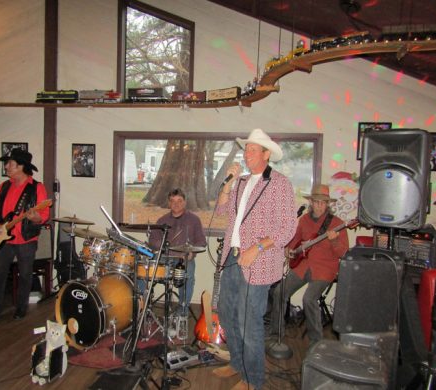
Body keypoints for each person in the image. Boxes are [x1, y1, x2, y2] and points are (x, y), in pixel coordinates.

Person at [212, 128, 297, 390]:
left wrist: (257, 247)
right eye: (245, 149)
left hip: (257, 262)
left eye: (252, 149)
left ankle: (254, 381)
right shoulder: (240, 182)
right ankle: (237, 363)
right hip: (231, 257)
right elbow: (221, 209)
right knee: (227, 314)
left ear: (266, 154)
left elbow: (287, 228)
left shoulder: (280, 183)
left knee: (249, 323)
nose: (246, 154)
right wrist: (228, 182)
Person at [269, 184, 349, 350]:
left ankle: (316, 343)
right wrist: (289, 249)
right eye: (316, 202)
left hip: (324, 269)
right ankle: (276, 334)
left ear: (328, 204)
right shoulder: (304, 220)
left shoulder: (337, 223)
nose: (319, 205)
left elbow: (343, 253)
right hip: (303, 265)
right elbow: (295, 239)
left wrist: (334, 240)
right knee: (279, 292)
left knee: (309, 299)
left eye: (323, 202)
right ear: (311, 202)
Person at [0, 148, 49, 323]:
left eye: (10, 163)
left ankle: (21, 308)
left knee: (25, 275)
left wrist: (35, 217)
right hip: (3, 238)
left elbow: (43, 216)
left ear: (21, 166)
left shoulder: (37, 187)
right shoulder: (4, 186)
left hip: (26, 239)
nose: (6, 167)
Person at [148, 188, 206, 315]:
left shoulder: (194, 220)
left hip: (184, 259)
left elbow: (201, 241)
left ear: (185, 202)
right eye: (173, 201)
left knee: (188, 275)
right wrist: (162, 246)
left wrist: (192, 253)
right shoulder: (162, 220)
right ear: (169, 203)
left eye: (179, 201)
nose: (176, 204)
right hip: (165, 258)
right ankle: (144, 304)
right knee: (144, 268)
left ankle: (182, 308)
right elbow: (152, 240)